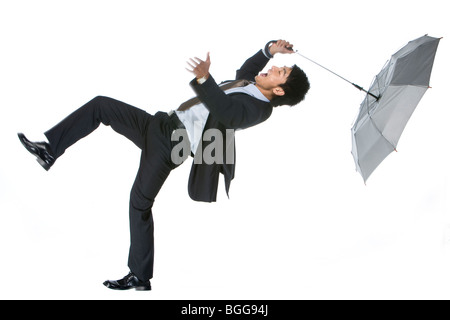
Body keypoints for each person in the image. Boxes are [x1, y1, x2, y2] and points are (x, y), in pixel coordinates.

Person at [18, 40, 310, 291]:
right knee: (101, 105)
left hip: (173, 144)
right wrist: (271, 49)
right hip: (161, 124)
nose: (274, 68)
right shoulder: (249, 83)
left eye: (280, 72)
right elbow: (245, 70)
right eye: (279, 65)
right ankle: (49, 150)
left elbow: (226, 111)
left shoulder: (259, 109)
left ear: (280, 91)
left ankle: (139, 276)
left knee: (139, 203)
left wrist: (205, 79)